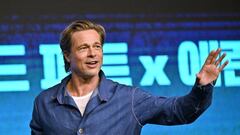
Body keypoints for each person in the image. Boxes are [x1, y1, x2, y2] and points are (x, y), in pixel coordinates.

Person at [30, 20, 229, 135]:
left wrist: (202, 87)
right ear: (67, 55)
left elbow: (181, 111)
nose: (93, 54)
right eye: (83, 48)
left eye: (97, 46)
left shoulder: (129, 98)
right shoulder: (44, 103)